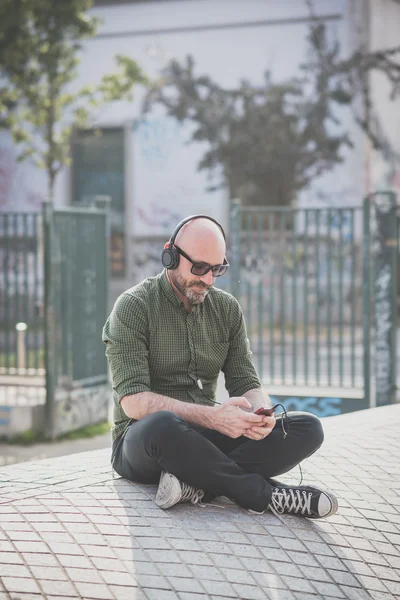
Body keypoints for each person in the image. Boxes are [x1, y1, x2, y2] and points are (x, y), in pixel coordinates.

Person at [103, 214, 338, 518]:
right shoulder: (133, 307)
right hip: (143, 442)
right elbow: (134, 403)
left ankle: (195, 486)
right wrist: (214, 418)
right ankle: (265, 495)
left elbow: (245, 380)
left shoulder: (227, 309)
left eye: (218, 269)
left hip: (203, 439)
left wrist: (257, 415)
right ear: (170, 255)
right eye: (199, 268)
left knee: (307, 428)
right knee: (162, 423)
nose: (208, 279)